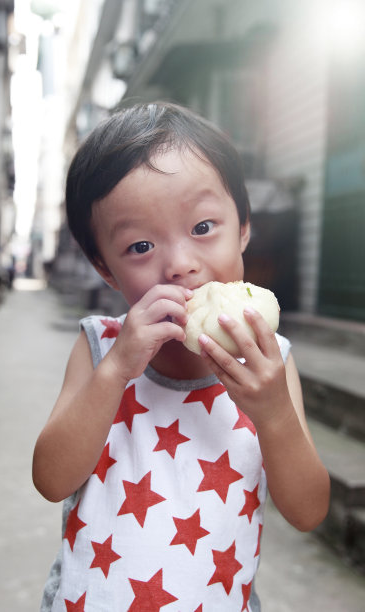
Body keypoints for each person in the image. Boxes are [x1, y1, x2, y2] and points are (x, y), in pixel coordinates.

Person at [33, 102, 330, 611]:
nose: (180, 265)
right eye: (141, 245)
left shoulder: (270, 362)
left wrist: (275, 413)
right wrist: (117, 370)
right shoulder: (101, 346)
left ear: (242, 229)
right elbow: (51, 478)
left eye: (202, 228)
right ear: (105, 269)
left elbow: (307, 511)